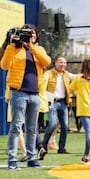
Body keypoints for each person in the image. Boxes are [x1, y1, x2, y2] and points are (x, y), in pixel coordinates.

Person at [1, 24, 51, 170]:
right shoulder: (15, 49)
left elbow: (47, 62)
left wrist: (32, 47)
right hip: (18, 93)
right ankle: (12, 160)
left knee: (32, 129)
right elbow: (4, 65)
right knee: (16, 127)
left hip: (35, 95)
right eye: (28, 34)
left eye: (33, 34)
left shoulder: (39, 49)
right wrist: (11, 45)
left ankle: (32, 159)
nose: (32, 37)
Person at [41, 57, 73, 156]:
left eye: (64, 62)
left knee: (65, 126)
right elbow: (42, 82)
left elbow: (77, 77)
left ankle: (61, 148)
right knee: (52, 124)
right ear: (55, 63)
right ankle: (43, 145)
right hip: (52, 102)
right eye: (60, 62)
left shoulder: (67, 75)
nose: (62, 64)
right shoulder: (49, 73)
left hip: (63, 102)